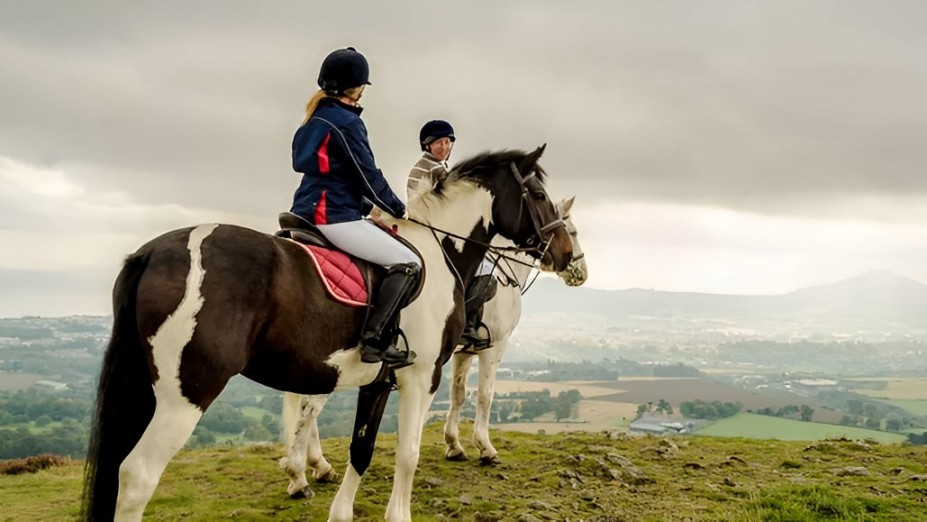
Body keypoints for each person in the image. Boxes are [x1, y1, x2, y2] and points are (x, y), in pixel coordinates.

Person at [290, 47, 420, 367]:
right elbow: (366, 174)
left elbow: (334, 174)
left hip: (306, 207)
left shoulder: (313, 118)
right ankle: (374, 341)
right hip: (332, 216)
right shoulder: (346, 122)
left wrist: (365, 205)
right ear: (357, 88)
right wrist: (397, 209)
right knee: (408, 262)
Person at [407, 120, 497, 351]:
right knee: (486, 271)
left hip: (434, 230)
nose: (445, 147)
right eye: (439, 143)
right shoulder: (433, 169)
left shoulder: (437, 167)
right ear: (427, 145)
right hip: (434, 233)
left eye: (447, 142)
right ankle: (465, 327)